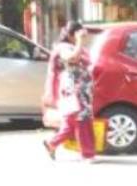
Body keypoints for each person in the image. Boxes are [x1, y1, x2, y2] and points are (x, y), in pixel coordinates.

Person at [42, 21, 97, 162]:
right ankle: (88, 153)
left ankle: (51, 144)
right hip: (73, 90)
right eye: (80, 35)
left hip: (80, 90)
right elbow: (72, 58)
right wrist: (79, 42)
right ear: (72, 35)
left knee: (71, 122)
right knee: (82, 119)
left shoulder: (74, 46)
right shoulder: (63, 47)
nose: (84, 38)